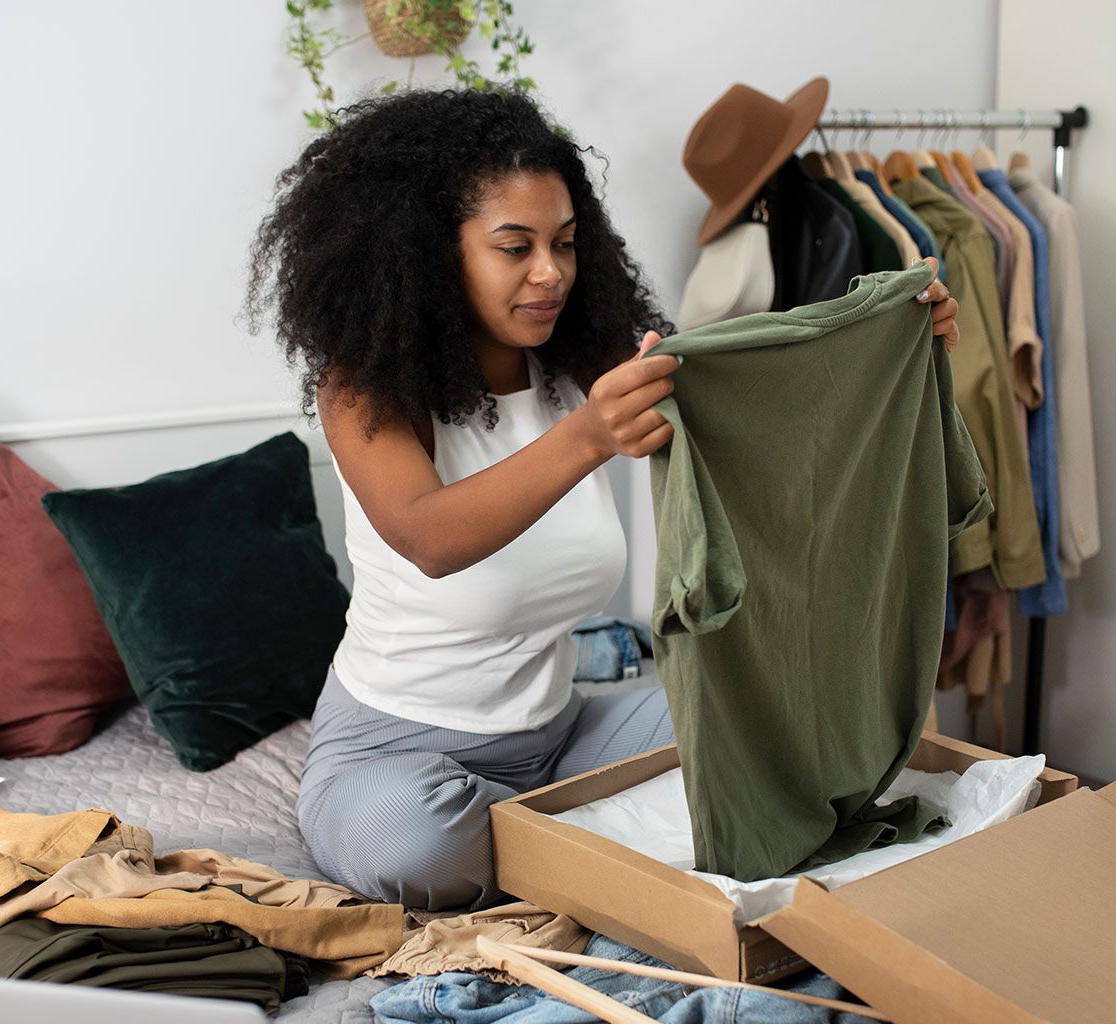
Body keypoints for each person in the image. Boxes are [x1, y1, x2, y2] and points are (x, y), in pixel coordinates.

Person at [242, 87, 960, 910]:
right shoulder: (364, 387)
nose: (550, 273)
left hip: (562, 736)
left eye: (565, 243)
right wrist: (588, 434)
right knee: (417, 845)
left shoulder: (577, 353)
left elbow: (755, 389)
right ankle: (575, 841)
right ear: (431, 254)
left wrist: (889, 333)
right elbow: (427, 537)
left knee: (769, 735)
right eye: (515, 247)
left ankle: (555, 841)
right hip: (396, 752)